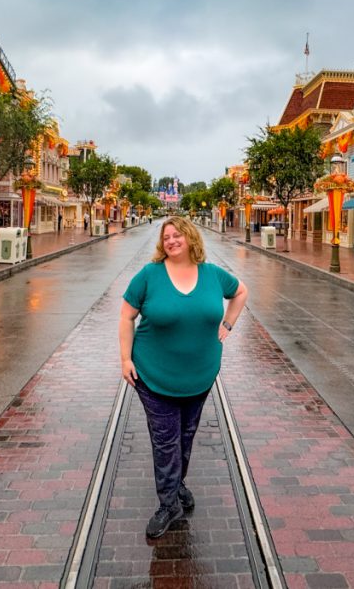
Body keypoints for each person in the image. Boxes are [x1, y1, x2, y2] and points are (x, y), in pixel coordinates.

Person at [119, 216, 248, 539]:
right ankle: (168, 504)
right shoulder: (149, 275)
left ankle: (177, 484)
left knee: (186, 435)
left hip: (200, 375)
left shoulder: (212, 274)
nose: (171, 241)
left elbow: (241, 292)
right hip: (153, 375)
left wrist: (228, 324)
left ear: (190, 238)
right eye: (166, 237)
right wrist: (125, 359)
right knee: (166, 440)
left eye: (177, 235)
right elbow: (126, 316)